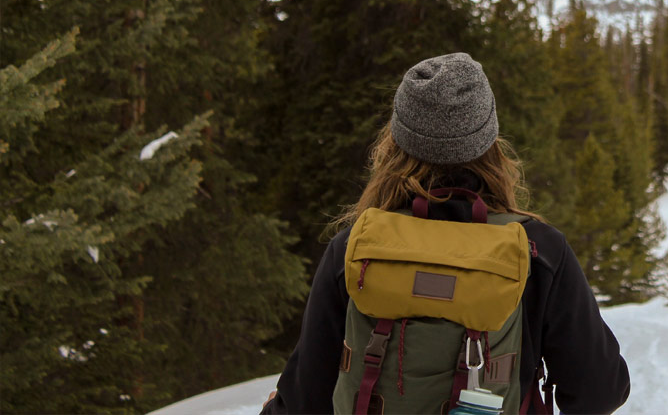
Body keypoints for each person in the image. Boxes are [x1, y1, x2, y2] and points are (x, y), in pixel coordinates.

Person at [261, 53, 630, 414]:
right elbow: (600, 391)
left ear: (394, 146)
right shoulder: (539, 250)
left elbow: (303, 399)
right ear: (491, 145)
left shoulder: (356, 246)